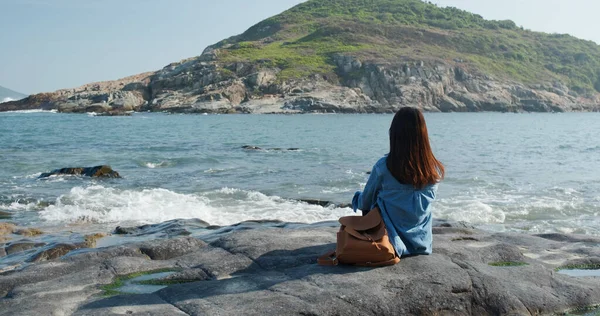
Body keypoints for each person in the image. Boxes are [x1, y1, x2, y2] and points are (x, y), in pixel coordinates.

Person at [352, 107, 445, 257]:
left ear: (394, 135)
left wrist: (356, 198)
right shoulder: (434, 169)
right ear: (423, 135)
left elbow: (365, 203)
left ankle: (375, 238)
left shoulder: (384, 166)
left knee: (366, 200)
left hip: (390, 242)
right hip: (422, 245)